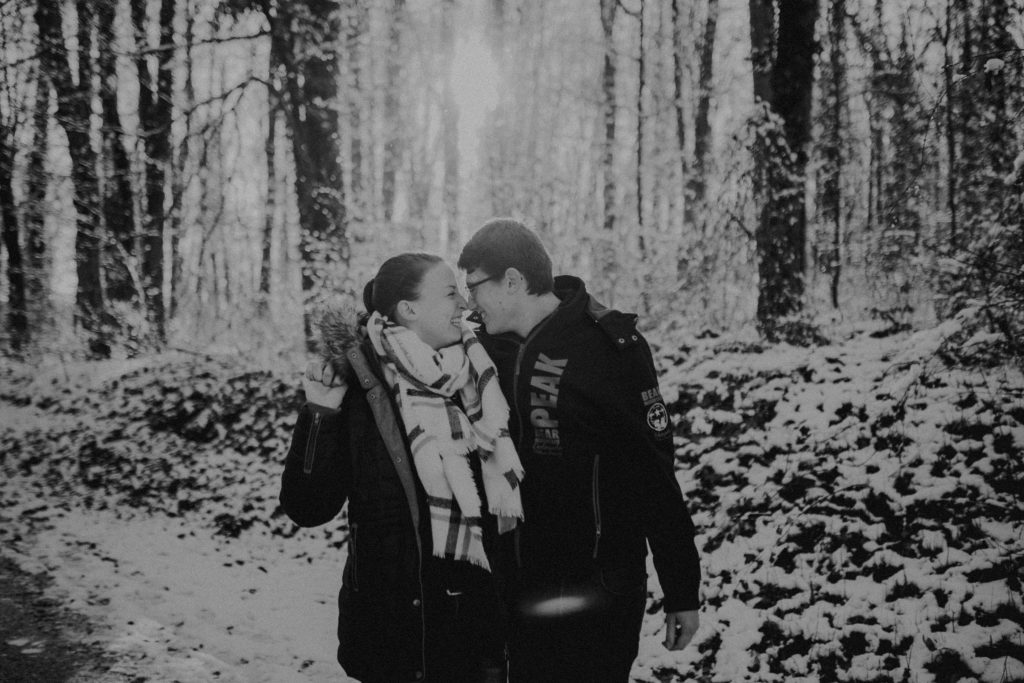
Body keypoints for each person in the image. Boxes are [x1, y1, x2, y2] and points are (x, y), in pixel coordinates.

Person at [457, 218, 702, 682]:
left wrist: (682, 589)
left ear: (513, 280)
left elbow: (653, 472)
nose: (470, 302)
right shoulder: (482, 348)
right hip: (518, 587)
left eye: (474, 287)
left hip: (599, 591)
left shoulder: (609, 346)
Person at [279, 253, 524, 683]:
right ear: (409, 309)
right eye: (450, 294)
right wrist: (320, 413)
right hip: (389, 637)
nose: (464, 304)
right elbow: (307, 507)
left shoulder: (481, 379)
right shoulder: (358, 388)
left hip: (472, 634)